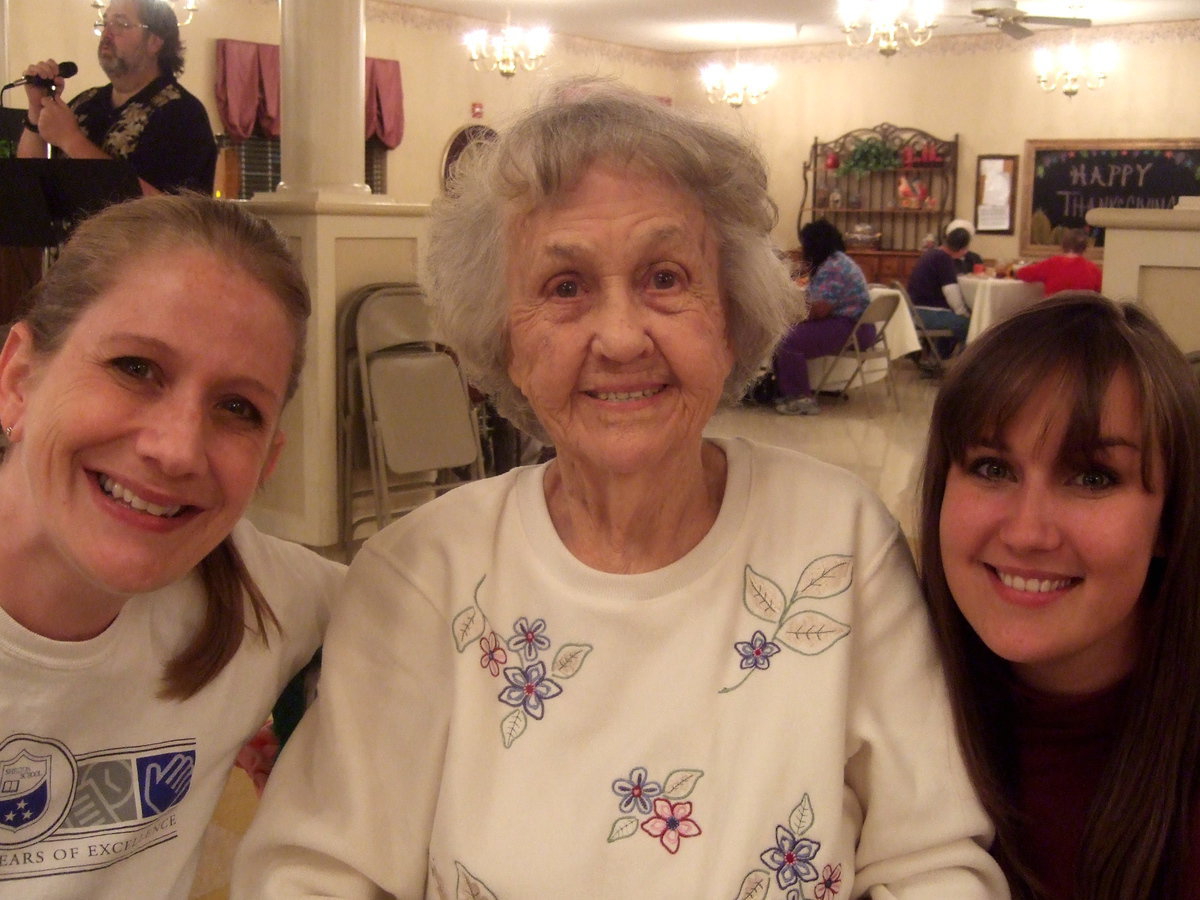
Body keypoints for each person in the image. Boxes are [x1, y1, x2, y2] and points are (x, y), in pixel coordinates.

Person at [232, 79, 1007, 898]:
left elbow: (930, 860)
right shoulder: (424, 570)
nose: (621, 336)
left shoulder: (837, 538)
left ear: (733, 312)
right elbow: (313, 873)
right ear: (502, 337)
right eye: (564, 288)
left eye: (665, 278)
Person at [0, 193, 340, 897]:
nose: (177, 449)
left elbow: (444, 598)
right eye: (134, 368)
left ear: (268, 461)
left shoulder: (259, 596)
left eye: (236, 408)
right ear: (17, 382)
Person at [917, 292, 1200, 899]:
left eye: (1092, 478)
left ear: (1171, 522)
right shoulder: (882, 686)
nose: (1026, 532)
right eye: (993, 468)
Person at [17, 0, 217, 195]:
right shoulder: (85, 103)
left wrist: (72, 140)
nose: (107, 33)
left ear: (155, 42)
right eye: (105, 23)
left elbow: (168, 212)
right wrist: (36, 110)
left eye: (121, 24)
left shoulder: (182, 113)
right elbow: (27, 182)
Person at [772, 219, 871, 416]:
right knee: (785, 334)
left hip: (850, 327)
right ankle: (787, 391)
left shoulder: (833, 266)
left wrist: (790, 315)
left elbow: (819, 309)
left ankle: (800, 397)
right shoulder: (837, 261)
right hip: (858, 326)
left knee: (787, 339)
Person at [907, 225, 973, 359]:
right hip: (927, 313)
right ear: (962, 248)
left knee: (956, 319)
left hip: (914, 311)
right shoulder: (944, 259)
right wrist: (964, 313)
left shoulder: (931, 254)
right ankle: (965, 367)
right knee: (971, 324)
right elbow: (951, 293)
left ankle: (937, 359)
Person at [1012, 228, 1103, 296]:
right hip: (1084, 317)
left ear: (1063, 245)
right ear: (1084, 248)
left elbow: (1022, 274)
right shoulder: (1093, 269)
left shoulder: (1052, 264)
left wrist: (1011, 271)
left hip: (1054, 315)